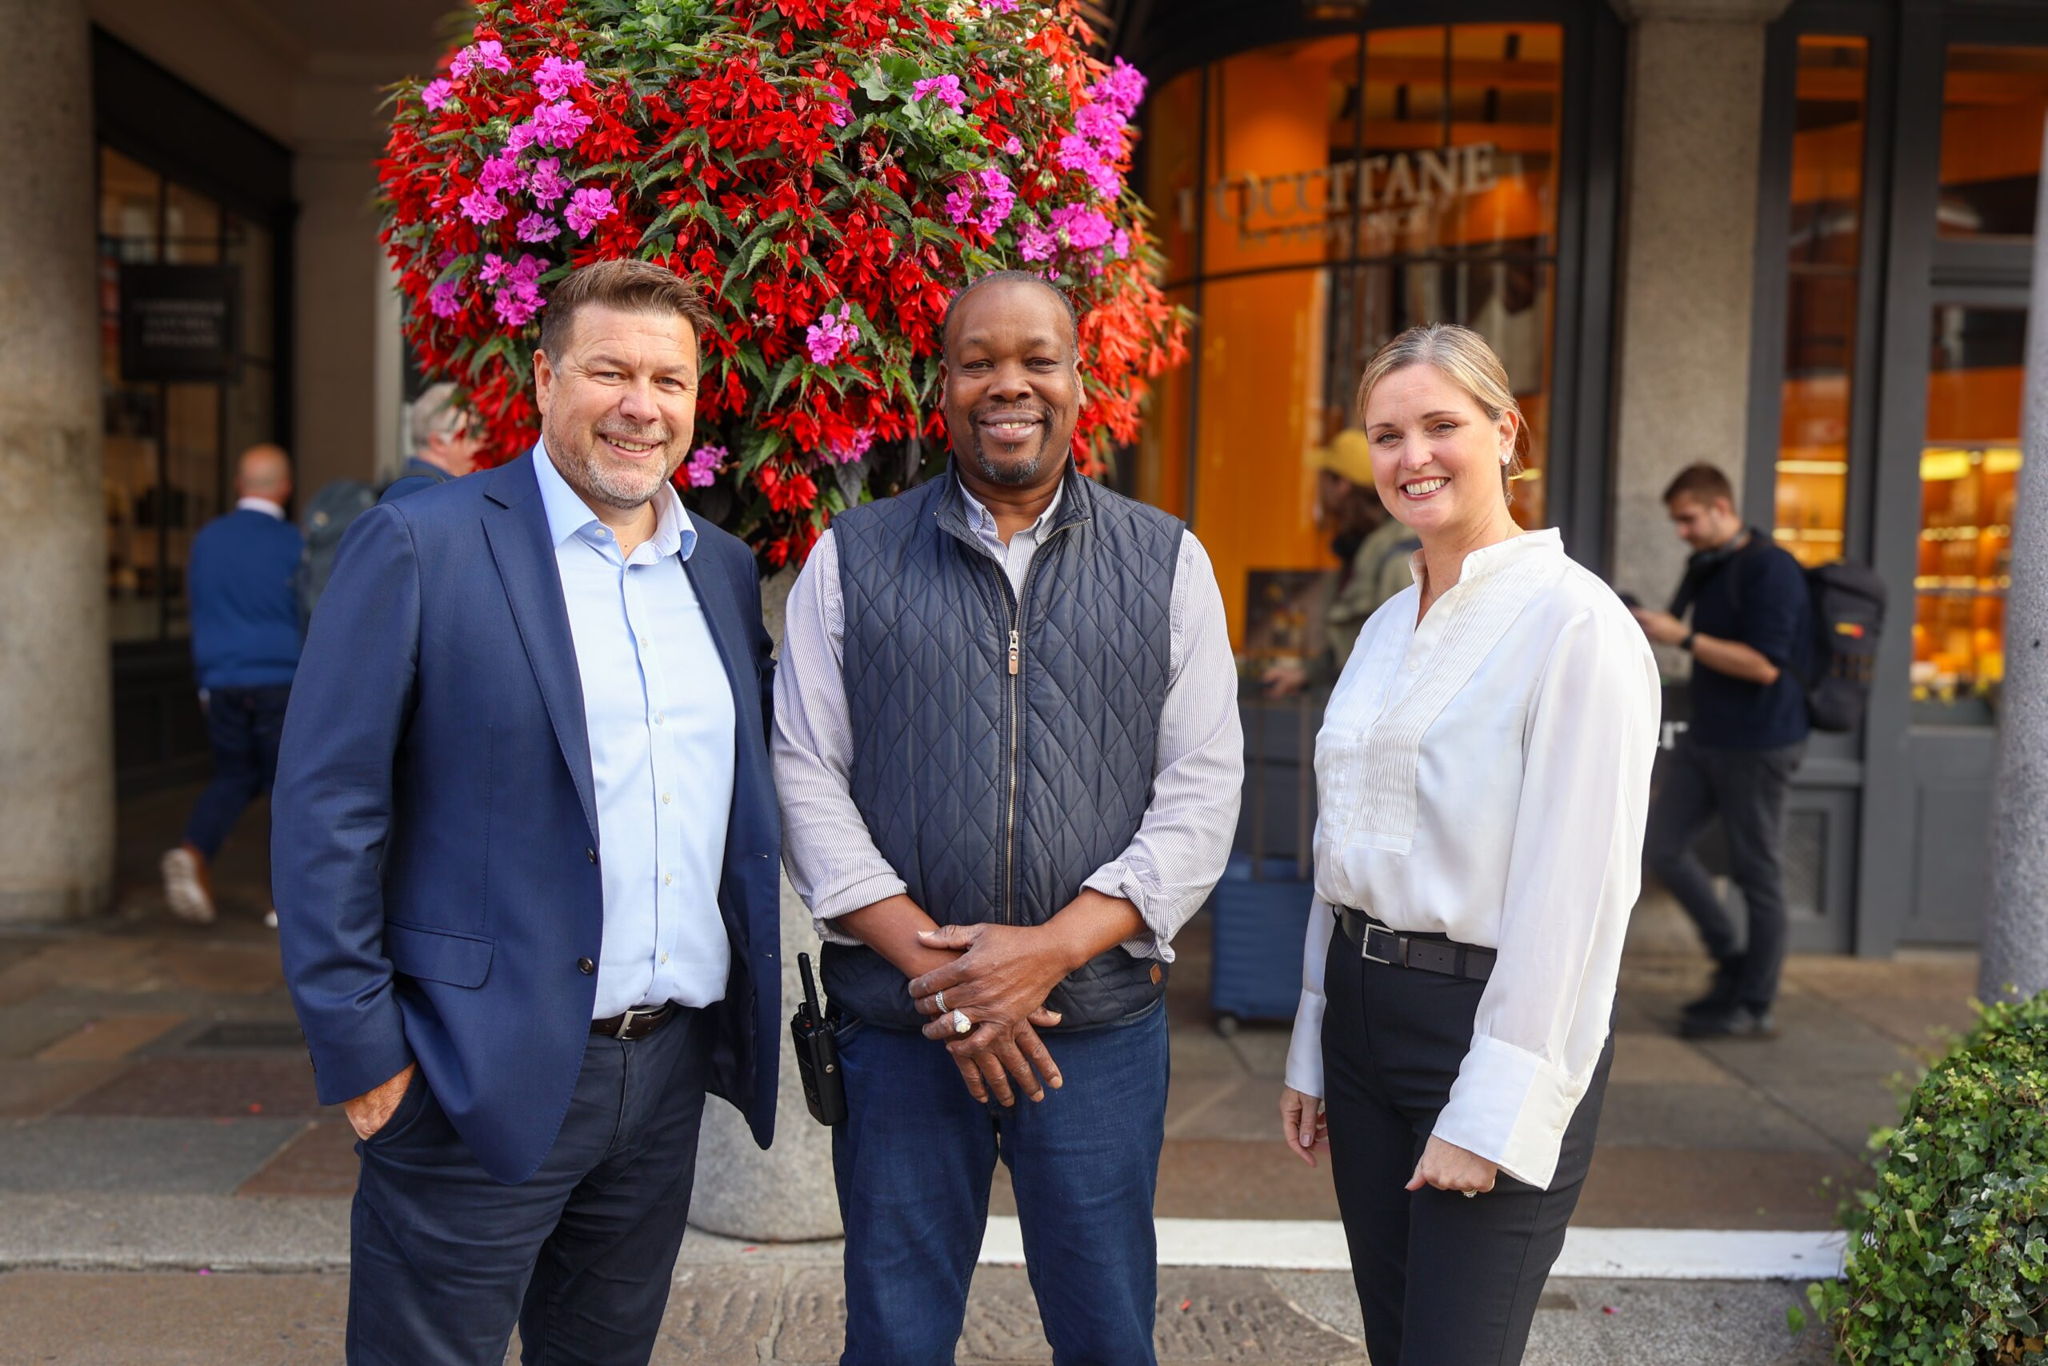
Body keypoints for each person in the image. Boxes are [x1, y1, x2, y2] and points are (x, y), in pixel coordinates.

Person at [271, 259, 781, 1365]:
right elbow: (326, 814)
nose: (639, 404)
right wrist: (366, 1060)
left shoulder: (721, 572)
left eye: (668, 379)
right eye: (608, 370)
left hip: (663, 1074)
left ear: (697, 402)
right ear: (545, 377)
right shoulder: (422, 544)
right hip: (466, 1072)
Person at [774, 271, 1242, 1366]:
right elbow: (802, 778)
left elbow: (1202, 789)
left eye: (1036, 358)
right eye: (978, 360)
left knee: (1107, 1333)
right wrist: (955, 981)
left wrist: (1042, 956)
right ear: (939, 387)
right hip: (898, 1031)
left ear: (1080, 380)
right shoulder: (850, 557)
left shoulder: (1168, 559)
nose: (1008, 383)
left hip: (1096, 1027)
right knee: (891, 1337)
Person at [1277, 324, 1660, 1365]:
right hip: (1361, 1020)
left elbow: (1574, 898)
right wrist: (1314, 1037)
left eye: (1440, 425)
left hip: (1483, 1022)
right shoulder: (1381, 629)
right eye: (1386, 433)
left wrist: (1490, 1106)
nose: (1412, 457)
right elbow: (1340, 848)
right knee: (1394, 1346)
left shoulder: (1574, 626)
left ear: (1505, 431)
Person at [1629, 463, 1812, 1039]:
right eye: (1676, 520)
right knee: (1661, 847)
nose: (1681, 531)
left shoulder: (1771, 569)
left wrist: (1680, 636)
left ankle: (1753, 1004)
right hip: (1708, 737)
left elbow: (1763, 665)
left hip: (1760, 742)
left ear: (1721, 508)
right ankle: (1732, 960)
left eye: (1688, 518)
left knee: (1757, 873)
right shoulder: (1708, 566)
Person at [161, 444, 303, 927]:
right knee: (286, 789)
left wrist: (205, 681)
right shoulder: (293, 544)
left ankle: (193, 850)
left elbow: (198, 611)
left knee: (233, 776)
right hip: (281, 678)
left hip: (221, 679)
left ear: (240, 485)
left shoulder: (206, 541)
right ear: (284, 488)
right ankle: (284, 900)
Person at [1263, 429, 1418, 696]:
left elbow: (1400, 657)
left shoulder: (1395, 556)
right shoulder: (1361, 548)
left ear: (1341, 484)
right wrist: (1306, 674)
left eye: (1323, 478)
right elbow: (1355, 642)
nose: (1318, 488)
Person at [380, 381, 484, 504]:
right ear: (438, 443)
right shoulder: (433, 495)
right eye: (474, 435)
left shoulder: (408, 486)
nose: (483, 443)